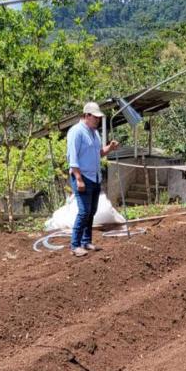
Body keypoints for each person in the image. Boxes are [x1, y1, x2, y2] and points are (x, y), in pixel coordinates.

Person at [66, 102, 119, 257]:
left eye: (98, 118)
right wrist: (78, 178)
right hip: (83, 177)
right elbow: (73, 158)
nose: (97, 120)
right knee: (84, 212)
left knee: (92, 211)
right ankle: (75, 245)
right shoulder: (76, 132)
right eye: (95, 117)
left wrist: (109, 148)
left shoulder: (94, 133)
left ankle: (86, 241)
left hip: (95, 177)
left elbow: (98, 153)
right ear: (87, 115)